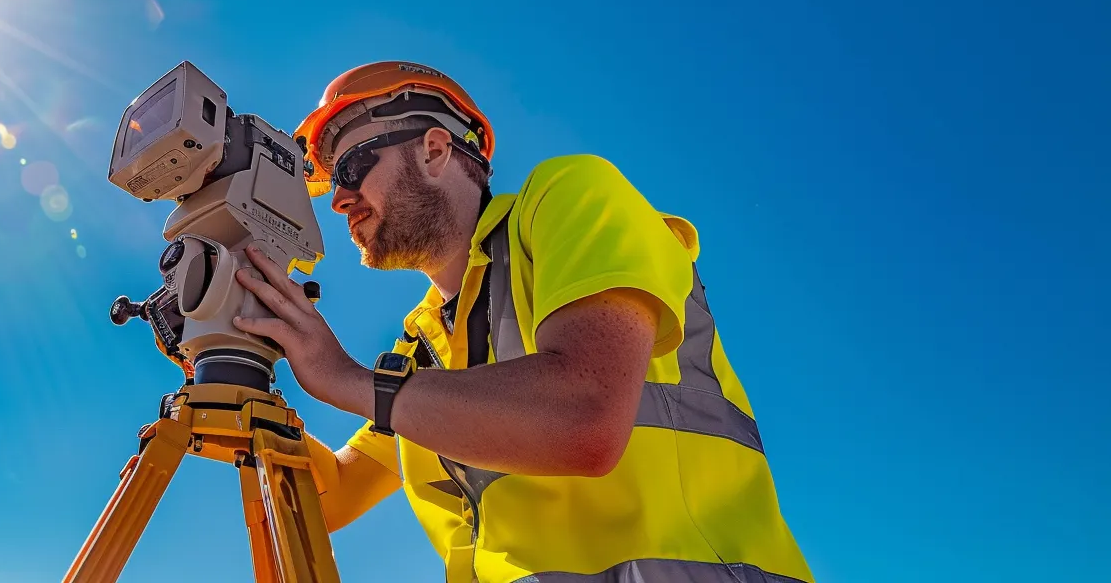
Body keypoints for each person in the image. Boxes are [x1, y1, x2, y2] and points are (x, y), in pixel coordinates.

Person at [227, 61, 814, 583]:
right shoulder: (423, 348)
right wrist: (236, 367)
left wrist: (349, 381)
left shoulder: (568, 197)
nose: (339, 198)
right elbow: (328, 498)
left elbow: (583, 415)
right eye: (332, 180)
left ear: (434, 150)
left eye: (353, 165)